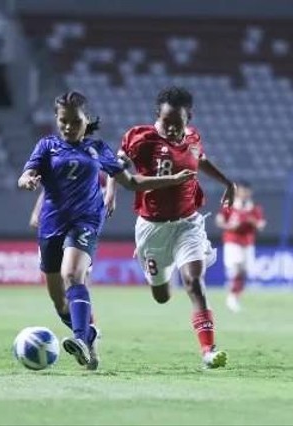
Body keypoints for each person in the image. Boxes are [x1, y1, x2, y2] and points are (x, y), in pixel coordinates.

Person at [18, 91, 195, 370]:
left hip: (85, 221)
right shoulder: (46, 146)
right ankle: (89, 334)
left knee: (73, 275)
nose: (68, 127)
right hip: (51, 224)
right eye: (63, 121)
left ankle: (79, 339)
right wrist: (27, 180)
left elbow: (132, 182)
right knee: (58, 301)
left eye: (75, 121)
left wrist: (170, 179)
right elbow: (26, 174)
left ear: (86, 120)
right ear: (57, 119)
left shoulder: (98, 149)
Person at [116, 86, 236, 368]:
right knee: (161, 296)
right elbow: (117, 169)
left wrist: (227, 182)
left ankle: (208, 351)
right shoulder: (141, 138)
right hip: (152, 228)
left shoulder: (193, 137)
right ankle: (155, 270)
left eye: (177, 123)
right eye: (166, 122)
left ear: (188, 118)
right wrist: (110, 192)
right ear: (158, 115)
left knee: (194, 281)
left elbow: (200, 160)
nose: (171, 128)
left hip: (188, 223)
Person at [215, 180, 266, 313]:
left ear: (250, 193)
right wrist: (230, 226)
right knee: (236, 268)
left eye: (246, 191)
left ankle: (234, 296)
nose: (243, 194)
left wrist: (252, 222)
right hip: (232, 241)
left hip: (248, 243)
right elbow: (219, 220)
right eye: (241, 191)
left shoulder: (254, 208)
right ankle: (231, 297)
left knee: (244, 271)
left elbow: (261, 225)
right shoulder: (230, 205)